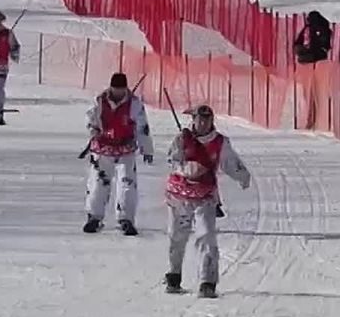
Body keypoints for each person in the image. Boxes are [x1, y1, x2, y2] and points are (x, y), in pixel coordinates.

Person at [164, 104, 252, 298]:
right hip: (179, 194)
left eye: (207, 120)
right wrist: (187, 168)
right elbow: (173, 160)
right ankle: (174, 275)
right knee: (177, 236)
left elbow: (230, 162)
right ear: (193, 120)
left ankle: (207, 282)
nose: (203, 123)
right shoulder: (182, 139)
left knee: (206, 236)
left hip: (205, 196)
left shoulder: (219, 142)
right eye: (199, 119)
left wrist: (242, 176)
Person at [83, 72, 154, 236]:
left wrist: (146, 148)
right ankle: (94, 216)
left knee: (127, 183)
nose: (118, 93)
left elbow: (142, 126)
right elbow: (91, 118)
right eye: (116, 89)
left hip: (125, 148)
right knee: (98, 183)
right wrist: (93, 130)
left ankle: (126, 218)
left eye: (121, 90)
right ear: (111, 87)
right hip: (103, 147)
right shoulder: (100, 101)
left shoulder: (134, 104)